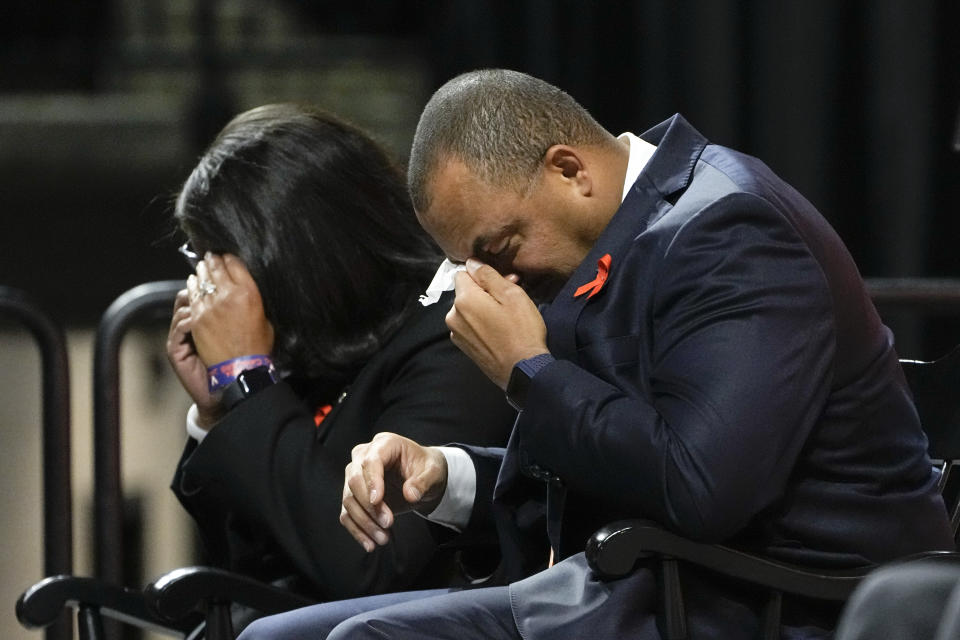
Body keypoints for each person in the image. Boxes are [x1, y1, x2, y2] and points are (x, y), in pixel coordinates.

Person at [238, 70, 954, 639]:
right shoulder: (616, 241)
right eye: (471, 266)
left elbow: (699, 488)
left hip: (777, 603)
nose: (500, 281)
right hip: (646, 585)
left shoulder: (729, 228)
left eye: (501, 250)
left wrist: (529, 372)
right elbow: (608, 472)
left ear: (569, 169)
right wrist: (446, 476)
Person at [165, 103, 516, 606]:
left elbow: (372, 569)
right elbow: (248, 574)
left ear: (299, 256)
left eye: (219, 265)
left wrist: (248, 378)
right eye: (199, 262)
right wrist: (220, 410)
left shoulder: (454, 336)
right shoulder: (317, 358)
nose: (211, 297)